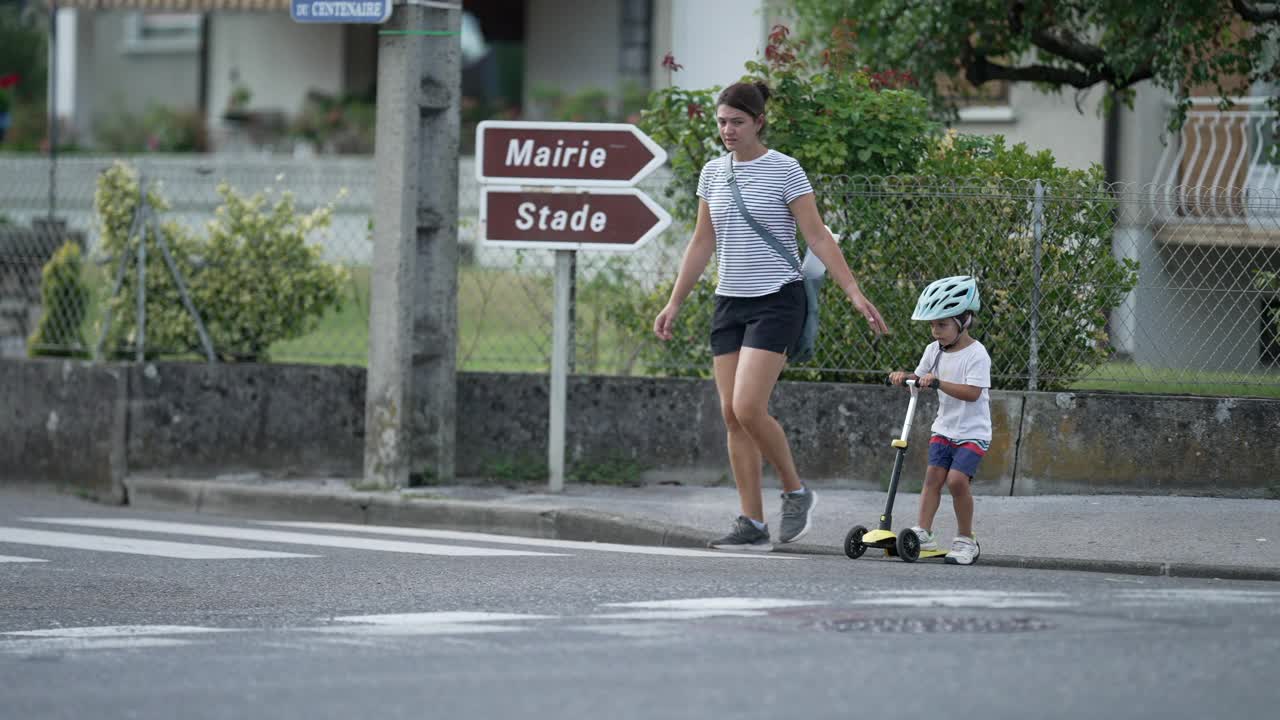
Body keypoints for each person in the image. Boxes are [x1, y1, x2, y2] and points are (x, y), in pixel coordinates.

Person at [653, 80, 888, 552]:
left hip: (778, 298)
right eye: (722, 122)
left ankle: (795, 490)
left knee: (747, 407)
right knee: (731, 416)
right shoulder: (713, 174)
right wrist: (675, 300)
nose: (727, 130)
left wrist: (854, 292)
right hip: (730, 300)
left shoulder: (785, 170)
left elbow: (818, 237)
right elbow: (703, 242)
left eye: (737, 122)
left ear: (759, 121)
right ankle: (752, 523)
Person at [888, 275, 991, 565]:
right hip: (944, 429)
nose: (935, 331)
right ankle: (924, 532)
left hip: (973, 432)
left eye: (942, 324)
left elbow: (972, 393)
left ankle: (966, 539)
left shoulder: (977, 354)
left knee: (957, 481)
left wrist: (938, 383)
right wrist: (904, 377)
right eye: (933, 325)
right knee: (933, 478)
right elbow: (921, 379)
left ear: (965, 321)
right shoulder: (933, 351)